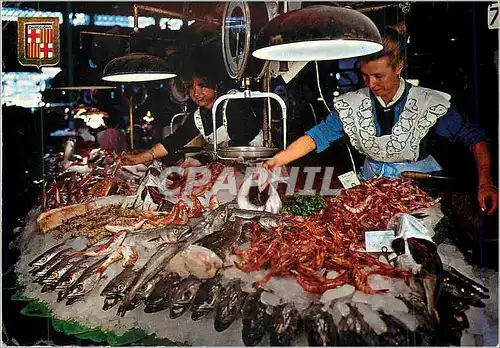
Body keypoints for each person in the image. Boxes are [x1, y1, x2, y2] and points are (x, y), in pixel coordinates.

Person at [264, 25, 498, 215]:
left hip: (418, 191)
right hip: (369, 189)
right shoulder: (352, 103)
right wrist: (278, 160)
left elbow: (474, 139)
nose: (370, 84)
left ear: (399, 68)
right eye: (364, 75)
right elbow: (317, 136)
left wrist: (486, 183)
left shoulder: (428, 102)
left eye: (378, 76)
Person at [120, 70, 263, 167]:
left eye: (202, 86)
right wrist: (140, 158)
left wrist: (201, 159)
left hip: (256, 168)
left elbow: (238, 143)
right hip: (232, 169)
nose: (196, 93)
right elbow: (175, 140)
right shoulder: (198, 116)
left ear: (216, 86)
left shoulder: (233, 103)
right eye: (191, 87)